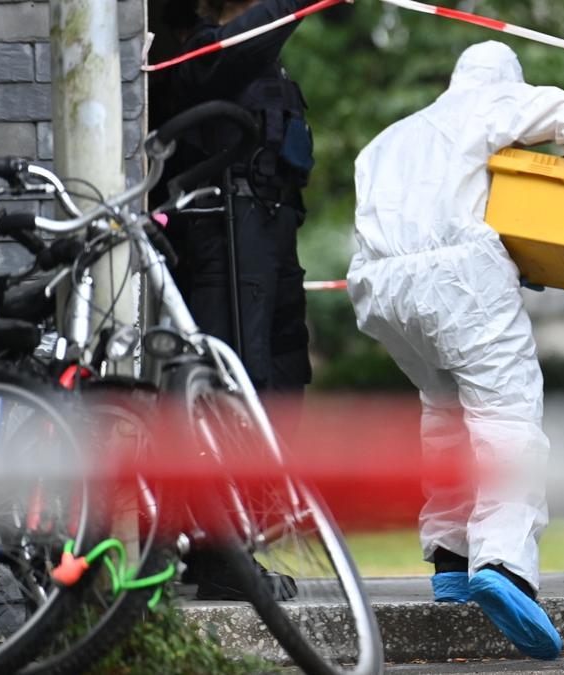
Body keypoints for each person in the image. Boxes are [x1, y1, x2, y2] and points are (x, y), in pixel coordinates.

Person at [347, 41, 564, 660]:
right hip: (459, 284)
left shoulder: (387, 140)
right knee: (507, 416)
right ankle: (503, 565)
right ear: (502, 80)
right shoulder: (487, 103)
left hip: (381, 291)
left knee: (445, 414)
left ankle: (450, 561)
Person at [164, 0, 348, 601]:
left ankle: (239, 534)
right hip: (223, 237)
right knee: (235, 385)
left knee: (282, 377)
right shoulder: (191, 51)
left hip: (268, 235)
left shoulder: (261, 58)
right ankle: (222, 556)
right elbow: (227, 53)